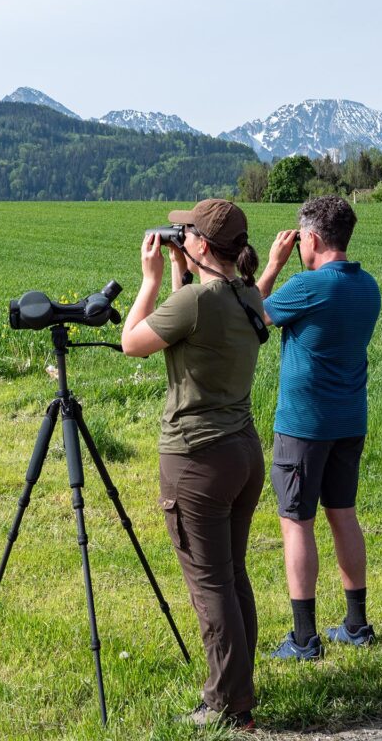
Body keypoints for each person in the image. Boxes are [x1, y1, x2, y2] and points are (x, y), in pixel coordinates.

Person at [121, 199, 266, 732]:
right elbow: (201, 314)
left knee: (210, 585)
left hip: (197, 459)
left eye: (186, 232)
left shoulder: (195, 302)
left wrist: (151, 279)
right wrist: (184, 273)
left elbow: (132, 342)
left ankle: (229, 704)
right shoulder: (246, 293)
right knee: (231, 575)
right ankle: (240, 686)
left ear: (202, 245)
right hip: (242, 451)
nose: (177, 235)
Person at [254, 195, 381, 660]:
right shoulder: (368, 286)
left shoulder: (307, 286)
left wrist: (271, 266)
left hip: (304, 426)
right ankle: (356, 624)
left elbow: (254, 313)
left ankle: (304, 638)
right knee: (343, 515)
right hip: (350, 420)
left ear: (310, 237)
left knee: (296, 523)